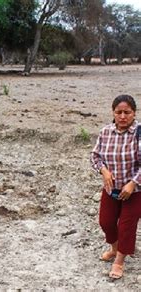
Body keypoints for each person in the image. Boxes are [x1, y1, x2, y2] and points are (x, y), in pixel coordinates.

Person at [90, 94, 140, 279]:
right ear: (113, 112)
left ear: (134, 113)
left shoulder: (139, 133)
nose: (122, 116)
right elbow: (95, 156)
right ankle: (114, 248)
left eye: (127, 112)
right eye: (118, 112)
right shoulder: (106, 132)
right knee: (106, 221)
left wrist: (133, 182)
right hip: (112, 188)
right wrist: (103, 171)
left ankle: (119, 261)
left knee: (126, 225)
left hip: (135, 190)